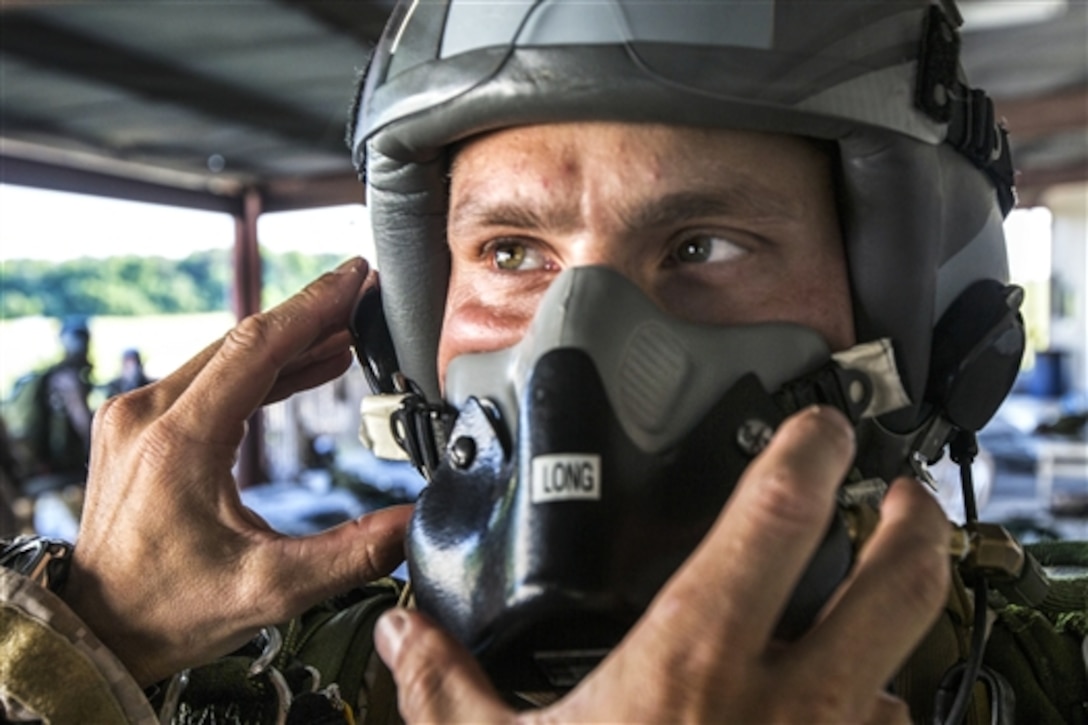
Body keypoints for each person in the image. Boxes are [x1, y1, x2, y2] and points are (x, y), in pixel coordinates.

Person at [3, 2, 1086, 723]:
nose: (576, 343)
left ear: (912, 331)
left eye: (703, 244)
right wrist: (92, 647)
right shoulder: (253, 677)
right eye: (511, 252)